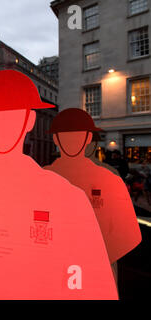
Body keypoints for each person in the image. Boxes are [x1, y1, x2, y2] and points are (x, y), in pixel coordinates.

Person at [0, 70, 118, 299]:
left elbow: (93, 282)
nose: (2, 126)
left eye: (11, 117)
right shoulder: (67, 196)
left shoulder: (68, 197)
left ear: (29, 121)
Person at [44, 108, 141, 284]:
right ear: (56, 139)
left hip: (94, 278)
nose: (72, 142)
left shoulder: (108, 178)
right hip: (56, 274)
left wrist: (91, 262)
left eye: (77, 136)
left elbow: (129, 234)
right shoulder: (43, 176)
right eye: (66, 136)